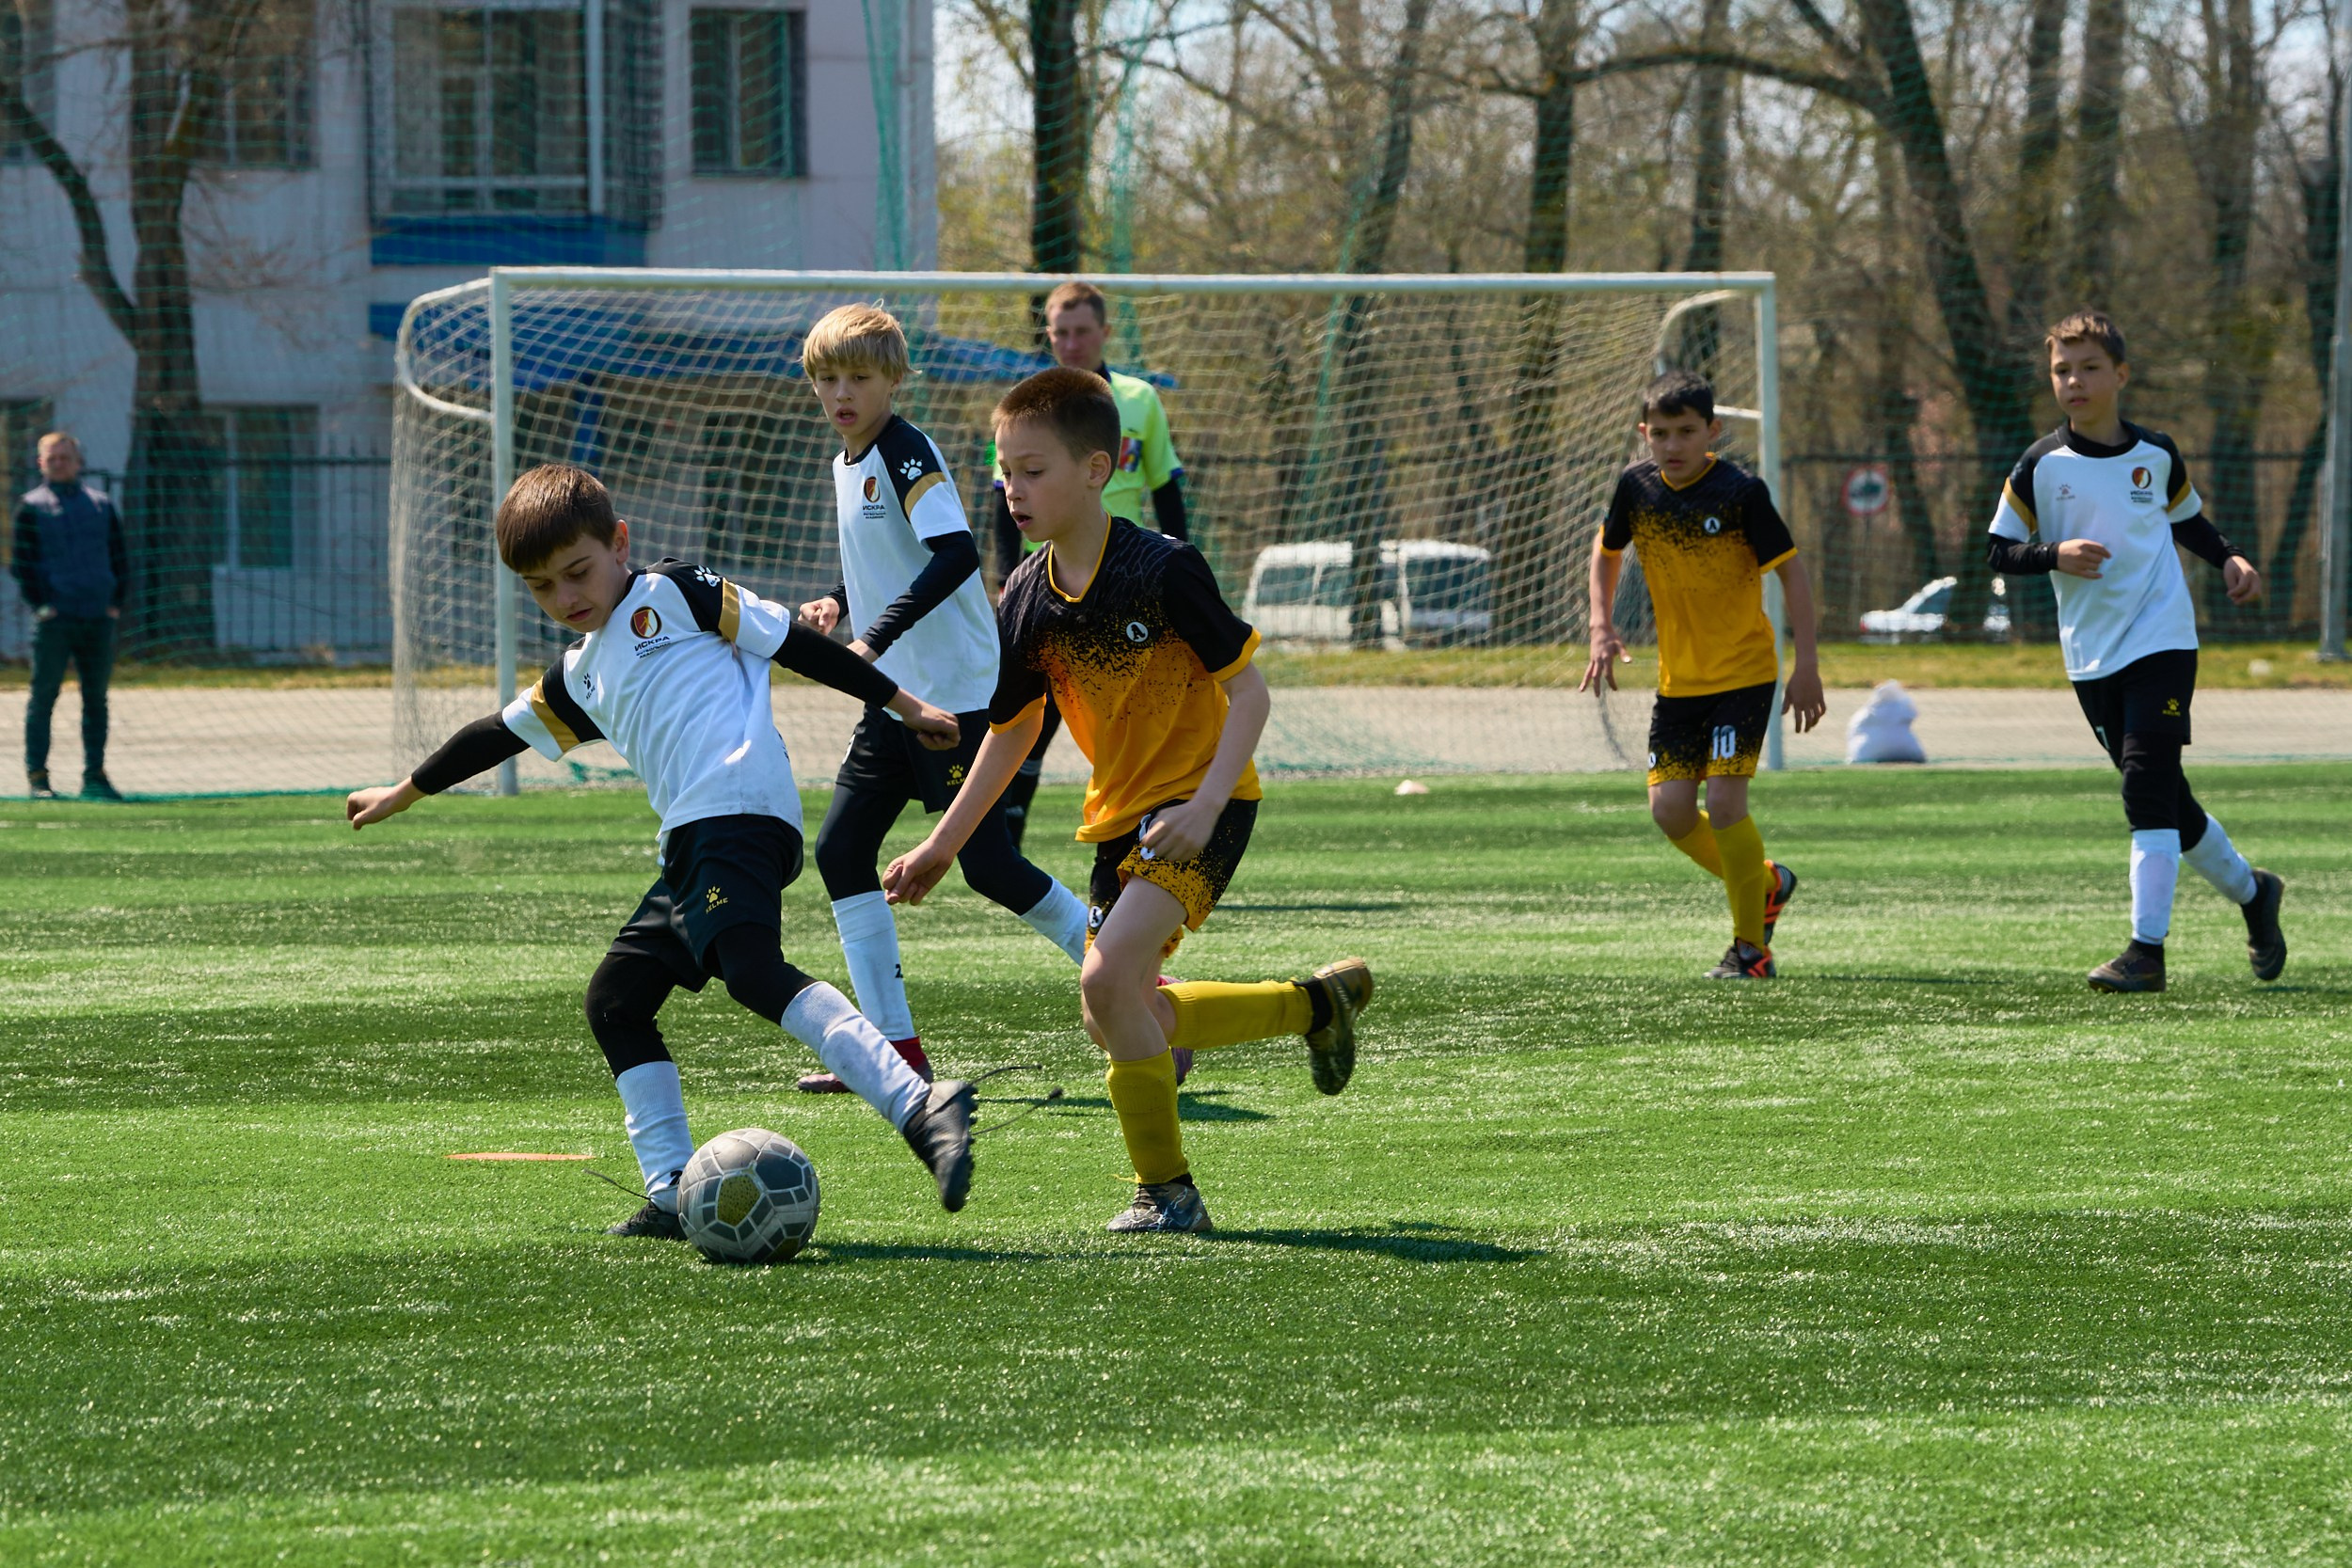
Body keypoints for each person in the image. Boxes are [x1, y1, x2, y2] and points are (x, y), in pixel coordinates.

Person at [344, 463, 979, 1235]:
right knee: (616, 1000)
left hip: (740, 811)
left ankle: (917, 1101)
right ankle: (673, 1190)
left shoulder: (675, 592)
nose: (567, 596)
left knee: (751, 971)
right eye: (543, 588)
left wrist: (907, 707)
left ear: (619, 542)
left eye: (578, 571)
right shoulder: (577, 676)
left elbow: (800, 650)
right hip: (689, 841)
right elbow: (492, 735)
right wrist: (401, 792)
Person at [884, 368, 1373, 1236]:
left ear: (1097, 470)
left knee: (1110, 979)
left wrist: (1206, 802)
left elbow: (1251, 695)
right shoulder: (1026, 598)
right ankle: (1312, 1006)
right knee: (1124, 1009)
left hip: (1207, 799)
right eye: (1004, 470)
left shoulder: (1163, 568)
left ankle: (1169, 1192)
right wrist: (944, 845)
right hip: (1123, 819)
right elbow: (1009, 733)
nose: (1012, 488)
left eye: (1033, 470)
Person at [790, 303, 1091, 1095]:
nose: (842, 392)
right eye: (828, 378)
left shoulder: (905, 449)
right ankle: (895, 1051)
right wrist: (837, 603)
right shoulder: (845, 460)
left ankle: (1137, 986)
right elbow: (887, 562)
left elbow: (955, 554)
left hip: (953, 694)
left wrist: (872, 640)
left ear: (895, 378)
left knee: (989, 865)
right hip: (896, 696)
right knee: (841, 851)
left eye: (859, 376)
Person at [1985, 310, 2285, 992]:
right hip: (2090, 655)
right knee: (2168, 799)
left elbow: (2188, 520)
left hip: (2163, 640)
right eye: (2062, 369)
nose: (2074, 380)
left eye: (2089, 367)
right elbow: (1997, 550)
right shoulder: (2039, 463)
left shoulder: (2156, 453)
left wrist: (2230, 557)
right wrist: (2054, 552)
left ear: (2120, 375)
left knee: (2144, 786)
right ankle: (2253, 894)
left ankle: (2145, 951)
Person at [1581, 370, 1826, 979]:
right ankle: (1766, 882)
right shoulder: (1635, 489)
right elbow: (1606, 550)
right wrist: (1600, 625)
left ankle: (1750, 951)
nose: (1673, 445)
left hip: (1743, 673)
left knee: (1723, 803)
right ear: (1644, 434)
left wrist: (1808, 665)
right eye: (1660, 433)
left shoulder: (1740, 492)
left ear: (1711, 431)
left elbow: (1792, 573)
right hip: (1679, 682)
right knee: (1669, 812)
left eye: (1686, 431)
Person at [990, 280, 1190, 853]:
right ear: (1048, 335)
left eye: (1083, 332)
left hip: (1130, 582)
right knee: (1028, 718)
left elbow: (1167, 490)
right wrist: (1007, 573)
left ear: (1104, 334)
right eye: (1061, 332)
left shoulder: (1140, 399)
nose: (1072, 343)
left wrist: (1177, 569)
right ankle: (1005, 843)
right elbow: (1001, 495)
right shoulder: (1025, 410)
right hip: (1047, 583)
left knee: (1136, 719)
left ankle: (1160, 832)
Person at [12, 432, 127, 800]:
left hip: (96, 616)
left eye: (65, 457)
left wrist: (114, 602)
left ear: (79, 462)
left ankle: (95, 775)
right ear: (40, 462)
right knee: (43, 695)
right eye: (51, 458)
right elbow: (22, 565)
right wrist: (43, 606)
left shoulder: (101, 505)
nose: (58, 463)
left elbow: (119, 557)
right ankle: (37, 777)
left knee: (96, 698)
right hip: (55, 620)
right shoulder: (31, 506)